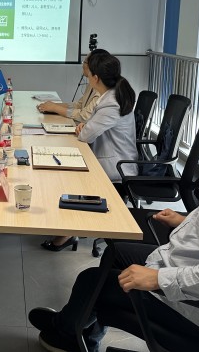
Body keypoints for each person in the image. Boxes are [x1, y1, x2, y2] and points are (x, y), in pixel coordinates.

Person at [28, 66, 199, 352]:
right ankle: (78, 327)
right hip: (186, 262)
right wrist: (189, 220)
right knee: (116, 253)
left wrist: (157, 279)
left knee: (90, 281)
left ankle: (66, 334)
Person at [41, 54, 139, 251]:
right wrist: (85, 128)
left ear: (96, 78)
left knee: (66, 171)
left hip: (115, 166)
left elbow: (86, 134)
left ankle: (69, 230)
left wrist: (85, 129)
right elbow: (87, 126)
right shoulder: (109, 95)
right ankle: (66, 226)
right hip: (104, 155)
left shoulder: (111, 102)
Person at [36, 49, 110, 122]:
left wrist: (55, 108)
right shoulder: (92, 84)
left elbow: (85, 116)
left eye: (84, 62)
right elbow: (79, 105)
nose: (82, 65)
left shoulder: (101, 90)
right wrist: (53, 106)